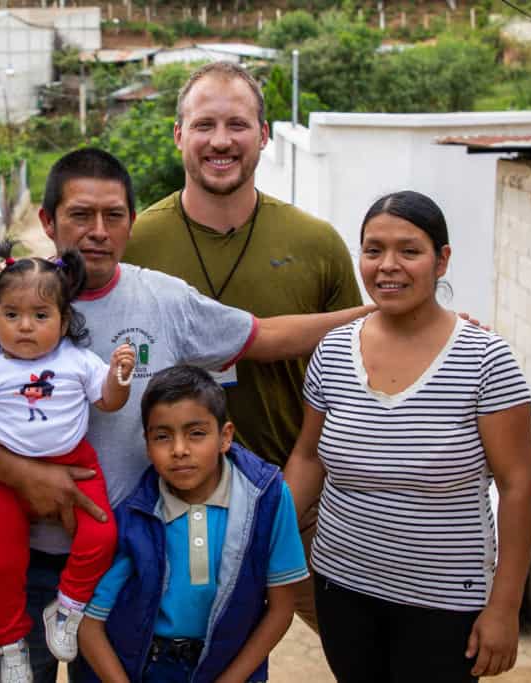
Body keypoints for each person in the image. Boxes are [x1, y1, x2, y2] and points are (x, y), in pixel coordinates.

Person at [0, 148, 372, 682]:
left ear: (131, 222)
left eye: (114, 216)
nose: (98, 231)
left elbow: (267, 336)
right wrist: (25, 475)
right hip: (19, 561)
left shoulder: (163, 299)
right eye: (81, 215)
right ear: (49, 221)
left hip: (119, 571)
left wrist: (381, 314)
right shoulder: (4, 300)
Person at [122, 61, 363, 630]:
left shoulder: (316, 244)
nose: (221, 141)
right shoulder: (134, 244)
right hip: (164, 506)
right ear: (179, 134)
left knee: (358, 648)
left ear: (263, 135)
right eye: (204, 125)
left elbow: (359, 363)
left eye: (238, 124)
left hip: (296, 504)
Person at [284, 191, 531, 682]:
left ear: (442, 260)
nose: (388, 266)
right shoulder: (334, 352)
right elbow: (308, 457)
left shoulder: (486, 361)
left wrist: (504, 608)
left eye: (410, 250)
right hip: (341, 585)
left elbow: (518, 486)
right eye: (373, 250)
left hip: (446, 600)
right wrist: (264, 538)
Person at [0, 241, 135, 682]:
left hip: (78, 462)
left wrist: (119, 375)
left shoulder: (77, 361)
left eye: (40, 316)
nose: (24, 327)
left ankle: (68, 607)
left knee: (103, 535)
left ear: (64, 320)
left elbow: (110, 403)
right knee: (3, 563)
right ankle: (11, 643)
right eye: (11, 314)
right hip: (4, 478)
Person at [78, 365, 308, 683]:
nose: (180, 450)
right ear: (147, 444)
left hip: (234, 668)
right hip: (151, 669)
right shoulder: (135, 516)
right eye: (162, 437)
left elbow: (281, 608)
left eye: (196, 433)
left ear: (225, 436)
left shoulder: (266, 498)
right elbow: (90, 625)